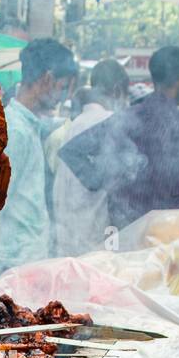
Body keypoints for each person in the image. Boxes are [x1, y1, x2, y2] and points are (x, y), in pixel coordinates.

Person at [60, 45, 179, 232]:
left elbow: (72, 152)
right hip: (168, 237)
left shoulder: (127, 117)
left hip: (125, 231)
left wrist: (103, 181)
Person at [0, 38, 77, 272]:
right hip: (10, 267)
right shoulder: (16, 132)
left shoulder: (27, 128)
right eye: (62, 87)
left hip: (23, 265)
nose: (63, 97)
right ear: (47, 79)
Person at [50, 60, 128, 257]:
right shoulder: (109, 122)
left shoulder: (75, 124)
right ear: (118, 91)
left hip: (67, 237)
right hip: (95, 241)